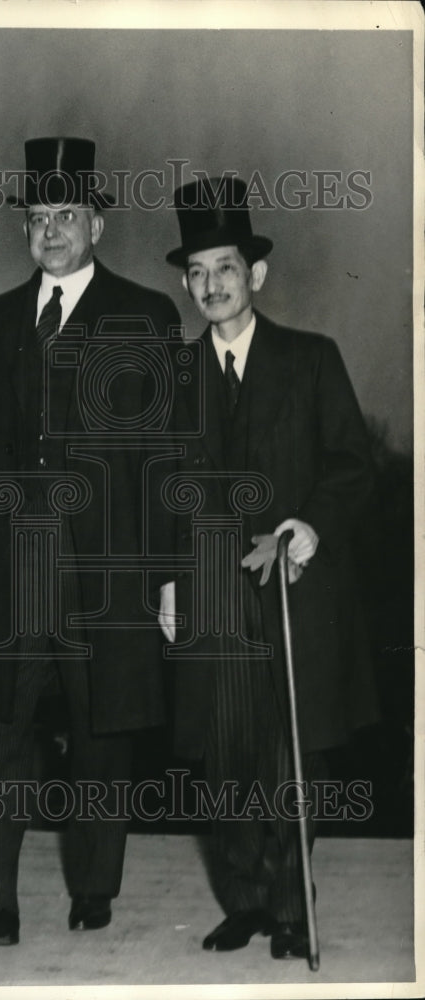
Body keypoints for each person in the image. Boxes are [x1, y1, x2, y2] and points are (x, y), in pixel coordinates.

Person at [0, 138, 181, 947]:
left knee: (100, 734)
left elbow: (162, 461)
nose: (50, 232)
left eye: (66, 215)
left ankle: (93, 888)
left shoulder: (146, 316)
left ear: (99, 224)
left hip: (105, 570)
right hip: (10, 562)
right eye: (37, 218)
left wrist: (164, 576)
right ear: (23, 231)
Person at [160, 176, 376, 959]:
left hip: (294, 596)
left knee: (291, 755)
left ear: (255, 275)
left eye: (224, 268)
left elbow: (351, 465)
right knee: (226, 755)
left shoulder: (310, 360)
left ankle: (291, 905)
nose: (210, 285)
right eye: (196, 272)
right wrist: (165, 584)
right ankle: (244, 900)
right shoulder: (176, 377)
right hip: (210, 595)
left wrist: (308, 524)